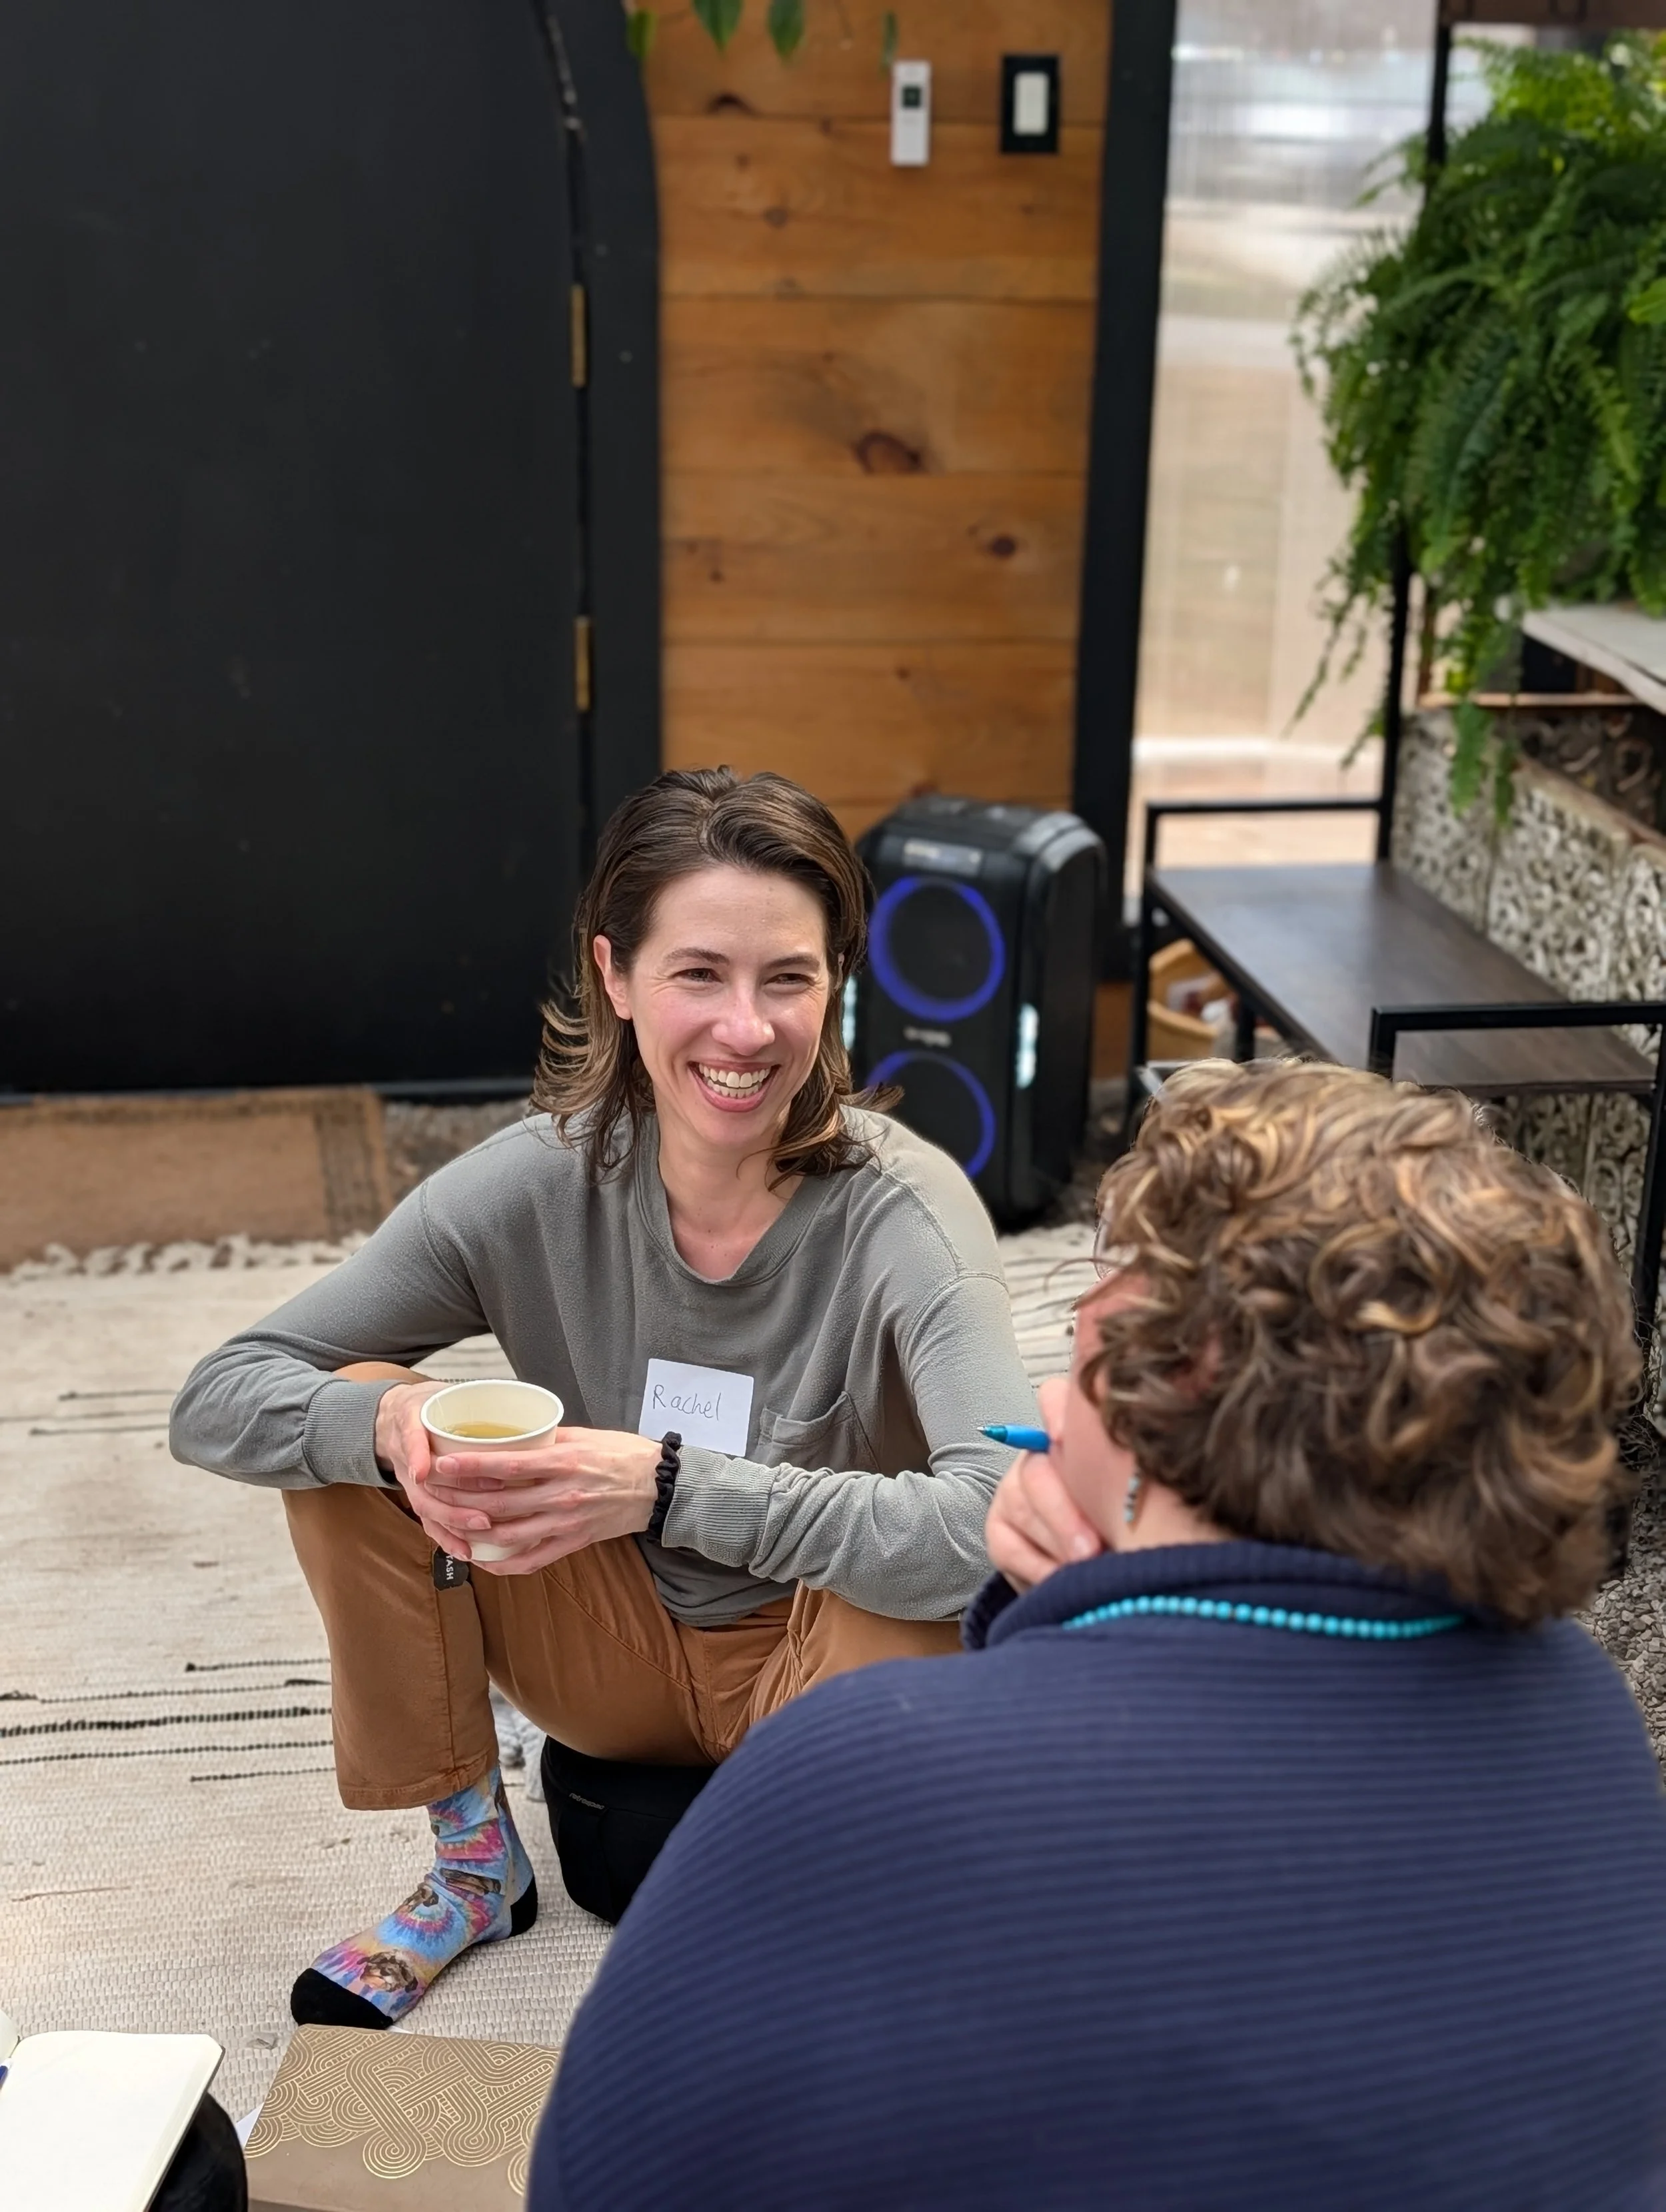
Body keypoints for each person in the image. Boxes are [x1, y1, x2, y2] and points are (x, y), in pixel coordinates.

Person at [532, 1059, 1666, 2211]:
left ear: (1174, 1374)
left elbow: (596, 2172)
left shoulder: (866, 1768)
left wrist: (1032, 1636)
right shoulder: (1585, 1707)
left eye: (1086, 1322)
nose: (1054, 1371)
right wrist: (1058, 1615)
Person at [169, 768, 1036, 2029]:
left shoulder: (907, 1213)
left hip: (826, 1659)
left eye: (787, 978)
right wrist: (396, 1432)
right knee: (362, 1417)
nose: (747, 1029)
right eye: (700, 974)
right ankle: (474, 1865)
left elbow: (997, 1519)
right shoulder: (533, 1185)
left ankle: (852, 1906)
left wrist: (667, 1483)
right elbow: (221, 1395)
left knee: (933, 1578)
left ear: (832, 986)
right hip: (608, 1653)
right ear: (615, 977)